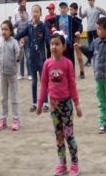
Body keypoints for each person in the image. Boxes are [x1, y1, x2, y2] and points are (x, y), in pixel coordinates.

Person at [37, 32, 82, 176]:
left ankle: (74, 163)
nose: (53, 47)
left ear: (64, 47)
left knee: (69, 135)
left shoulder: (68, 64)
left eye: (57, 44)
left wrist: (77, 104)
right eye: (52, 44)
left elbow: (72, 85)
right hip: (53, 106)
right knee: (59, 135)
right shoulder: (47, 64)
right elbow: (44, 84)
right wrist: (40, 104)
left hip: (66, 105)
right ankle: (62, 164)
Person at [77, 17, 106, 134]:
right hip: (98, 77)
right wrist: (81, 48)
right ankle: (102, 123)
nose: (97, 31)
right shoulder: (95, 42)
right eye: (97, 29)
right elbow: (90, 53)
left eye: (99, 29)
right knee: (101, 103)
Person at [15, 4, 51, 112]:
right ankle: (34, 103)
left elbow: (48, 39)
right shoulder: (29, 27)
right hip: (32, 59)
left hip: (41, 58)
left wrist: (51, 48)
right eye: (33, 12)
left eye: (37, 12)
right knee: (34, 82)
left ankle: (45, 103)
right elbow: (20, 35)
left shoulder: (43, 26)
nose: (35, 14)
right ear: (31, 13)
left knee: (43, 81)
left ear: (40, 14)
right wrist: (12, 38)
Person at [46, 2, 83, 74]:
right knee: (60, 60)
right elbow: (47, 22)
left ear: (67, 9)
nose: (63, 9)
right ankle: (60, 74)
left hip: (68, 43)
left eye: (64, 8)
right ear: (59, 9)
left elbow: (80, 25)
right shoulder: (57, 18)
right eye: (61, 8)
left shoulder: (70, 18)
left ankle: (71, 74)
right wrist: (51, 27)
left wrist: (79, 31)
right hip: (60, 44)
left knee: (70, 61)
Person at [80, 0, 106, 66]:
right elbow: (81, 16)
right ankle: (89, 61)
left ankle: (99, 59)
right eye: (89, 0)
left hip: (96, 30)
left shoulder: (97, 9)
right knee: (89, 46)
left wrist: (100, 8)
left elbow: (105, 13)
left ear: (94, 0)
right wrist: (79, 10)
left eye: (91, 0)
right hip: (89, 30)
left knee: (98, 44)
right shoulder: (86, 9)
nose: (90, 1)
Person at [69, 3, 86, 79]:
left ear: (76, 10)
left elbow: (80, 26)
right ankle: (71, 72)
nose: (70, 11)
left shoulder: (77, 18)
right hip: (70, 39)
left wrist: (79, 31)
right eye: (70, 9)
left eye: (72, 9)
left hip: (76, 39)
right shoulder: (68, 18)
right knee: (70, 56)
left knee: (79, 56)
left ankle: (82, 72)